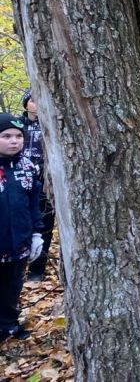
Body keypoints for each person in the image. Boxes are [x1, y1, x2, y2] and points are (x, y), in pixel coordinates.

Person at [0, 113, 43, 343]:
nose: (14, 141)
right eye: (6, 136)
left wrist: (37, 234)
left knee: (13, 285)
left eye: (18, 136)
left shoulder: (27, 166)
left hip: (20, 242)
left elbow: (34, 202)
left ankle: (8, 325)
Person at [20, 90, 54, 282]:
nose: (36, 104)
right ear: (26, 104)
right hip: (21, 183)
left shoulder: (50, 126)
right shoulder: (17, 126)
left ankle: (37, 270)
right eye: (33, 100)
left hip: (44, 185)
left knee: (43, 225)